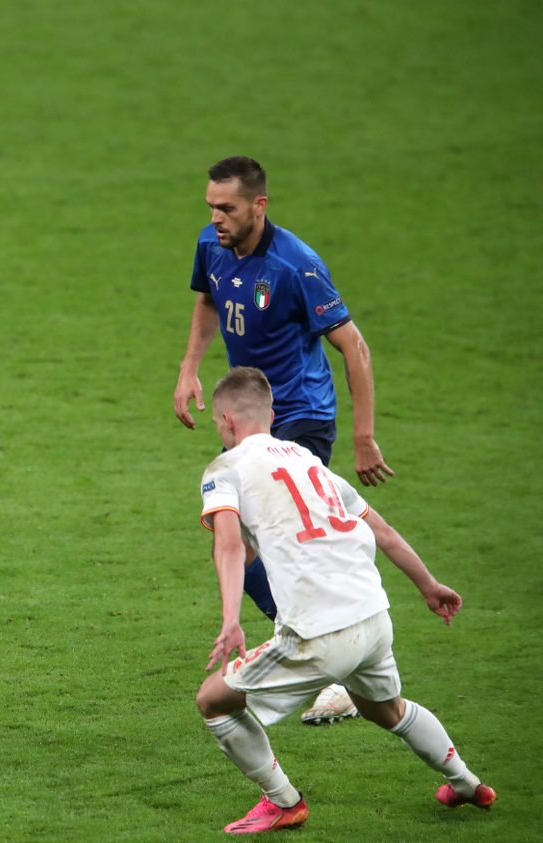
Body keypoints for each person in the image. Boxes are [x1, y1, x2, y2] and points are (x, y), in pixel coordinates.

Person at [195, 367, 495, 834]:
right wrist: (430, 586)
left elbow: (230, 546)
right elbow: (385, 532)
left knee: (214, 701)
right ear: (271, 414)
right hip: (372, 616)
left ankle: (283, 802)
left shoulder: (224, 469)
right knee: (385, 708)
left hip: (318, 632)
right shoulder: (310, 461)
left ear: (227, 421)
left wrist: (231, 618)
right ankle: (465, 782)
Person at [174, 156, 393, 724]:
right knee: (236, 537)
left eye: (227, 208)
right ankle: (300, 639)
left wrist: (364, 436)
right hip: (248, 419)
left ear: (259, 205)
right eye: (211, 207)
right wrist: (189, 367)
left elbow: (355, 347)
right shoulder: (212, 244)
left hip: (299, 416)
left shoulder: (296, 266)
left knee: (277, 537)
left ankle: (331, 663)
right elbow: (207, 300)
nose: (216, 218)